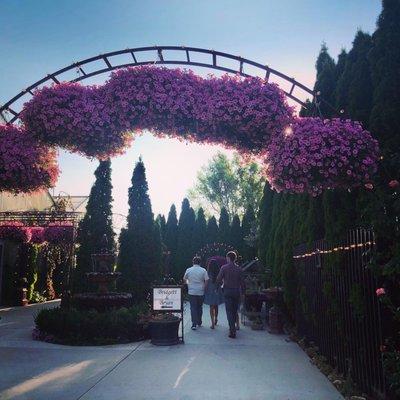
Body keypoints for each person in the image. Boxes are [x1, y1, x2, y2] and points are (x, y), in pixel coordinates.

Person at [216, 251, 245, 338]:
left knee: (229, 311)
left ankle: (232, 330)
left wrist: (218, 287)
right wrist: (243, 292)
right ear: (235, 258)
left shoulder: (224, 268)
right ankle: (234, 327)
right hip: (236, 291)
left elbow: (218, 279)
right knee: (234, 310)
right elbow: (242, 282)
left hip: (227, 291)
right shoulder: (239, 269)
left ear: (228, 258)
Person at [183, 256, 209, 330]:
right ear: (200, 262)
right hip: (200, 290)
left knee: (193, 307)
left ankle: (194, 323)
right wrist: (204, 288)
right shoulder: (203, 270)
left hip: (191, 291)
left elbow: (184, 279)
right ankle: (199, 321)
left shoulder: (189, 270)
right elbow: (207, 280)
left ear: (193, 262)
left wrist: (188, 284)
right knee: (199, 307)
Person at [204, 258, 224, 329]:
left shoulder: (207, 273)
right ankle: (216, 318)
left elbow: (205, 282)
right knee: (216, 305)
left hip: (210, 291)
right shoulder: (219, 273)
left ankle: (212, 323)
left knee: (211, 307)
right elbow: (221, 282)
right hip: (217, 290)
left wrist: (204, 289)